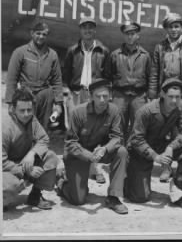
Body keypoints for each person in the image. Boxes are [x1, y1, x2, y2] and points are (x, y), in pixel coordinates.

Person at [56, 79, 129, 214]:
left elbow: (117, 137)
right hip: (78, 154)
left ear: (110, 96)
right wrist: (89, 156)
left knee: (121, 152)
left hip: (100, 151)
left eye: (105, 96)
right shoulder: (78, 112)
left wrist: (105, 149)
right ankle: (61, 182)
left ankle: (113, 197)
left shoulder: (114, 111)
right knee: (78, 199)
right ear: (91, 97)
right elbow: (71, 143)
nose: (102, 100)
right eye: (98, 96)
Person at [125, 78, 182, 210]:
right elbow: (136, 139)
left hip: (164, 145)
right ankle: (129, 180)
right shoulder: (146, 111)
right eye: (170, 96)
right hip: (142, 149)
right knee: (139, 197)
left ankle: (180, 191)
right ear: (162, 94)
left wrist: (171, 147)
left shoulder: (181, 107)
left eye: (178, 97)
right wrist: (155, 156)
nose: (174, 100)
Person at [149, 13, 182, 182]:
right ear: (166, 29)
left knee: (181, 132)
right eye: (170, 27)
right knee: (164, 132)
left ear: (181, 28)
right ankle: (166, 169)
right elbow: (154, 73)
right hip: (165, 97)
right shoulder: (159, 47)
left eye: (177, 26)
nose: (174, 30)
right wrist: (152, 95)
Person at [63, 17, 110, 184]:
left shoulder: (103, 51)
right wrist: (68, 92)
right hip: (76, 93)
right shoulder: (72, 50)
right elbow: (66, 72)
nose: (87, 31)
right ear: (80, 30)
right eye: (84, 27)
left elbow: (108, 75)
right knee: (73, 131)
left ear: (95, 30)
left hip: (94, 94)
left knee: (94, 130)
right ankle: (69, 166)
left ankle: (94, 167)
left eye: (91, 28)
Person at [3, 88, 59, 210]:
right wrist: (25, 170)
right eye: (22, 110)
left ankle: (35, 196)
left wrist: (32, 153)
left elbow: (44, 139)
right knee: (7, 188)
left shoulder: (31, 119)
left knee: (51, 157)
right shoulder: (5, 128)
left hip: (26, 161)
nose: (26, 114)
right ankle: (1, 200)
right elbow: (0, 162)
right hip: (7, 168)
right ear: (13, 109)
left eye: (29, 110)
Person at [5, 21, 63, 129]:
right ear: (32, 33)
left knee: (42, 128)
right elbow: (12, 79)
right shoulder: (20, 52)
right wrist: (10, 102)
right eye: (38, 33)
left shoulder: (52, 55)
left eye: (44, 34)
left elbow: (57, 80)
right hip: (26, 94)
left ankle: (40, 145)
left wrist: (58, 103)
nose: (41, 37)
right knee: (24, 127)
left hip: (45, 96)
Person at [105, 21, 151, 142]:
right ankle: (119, 151)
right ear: (123, 35)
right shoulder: (115, 55)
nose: (130, 36)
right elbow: (108, 76)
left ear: (138, 35)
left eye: (133, 33)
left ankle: (133, 152)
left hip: (139, 95)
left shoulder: (145, 55)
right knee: (118, 125)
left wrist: (150, 96)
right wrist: (110, 95)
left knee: (138, 125)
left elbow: (150, 76)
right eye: (127, 34)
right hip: (120, 95)